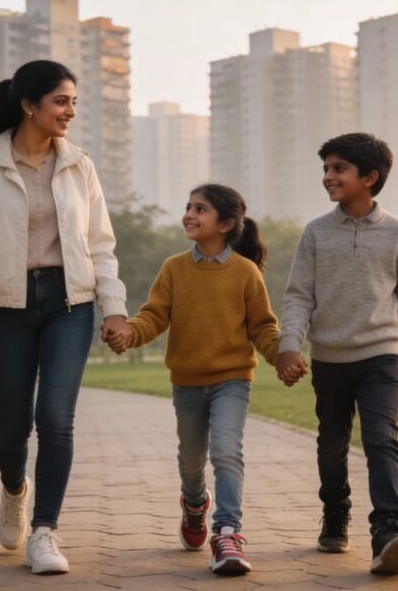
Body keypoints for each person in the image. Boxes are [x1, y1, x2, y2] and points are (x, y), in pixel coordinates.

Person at [0, 60, 129, 575]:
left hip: (70, 303)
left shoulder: (79, 165)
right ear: (28, 105)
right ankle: (15, 487)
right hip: (7, 306)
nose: (71, 111)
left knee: (55, 419)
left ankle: (45, 532)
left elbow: (101, 246)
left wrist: (115, 309)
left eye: (74, 102)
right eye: (61, 101)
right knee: (11, 426)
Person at [105, 184, 280, 575]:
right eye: (188, 207)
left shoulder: (246, 272)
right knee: (190, 460)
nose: (189, 214)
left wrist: (282, 356)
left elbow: (263, 327)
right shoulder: (174, 268)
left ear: (227, 223)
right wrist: (129, 333)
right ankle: (194, 502)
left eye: (200, 209)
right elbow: (153, 315)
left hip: (233, 378)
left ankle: (228, 532)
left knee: (226, 451)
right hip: (186, 381)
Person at [277, 132, 398, 575]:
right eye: (326, 168)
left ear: (369, 177)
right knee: (331, 444)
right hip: (329, 357)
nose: (328, 177)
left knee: (382, 439)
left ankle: (388, 531)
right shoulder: (315, 233)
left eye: (338, 168)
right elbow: (298, 295)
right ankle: (335, 512)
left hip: (382, 353)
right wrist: (290, 345)